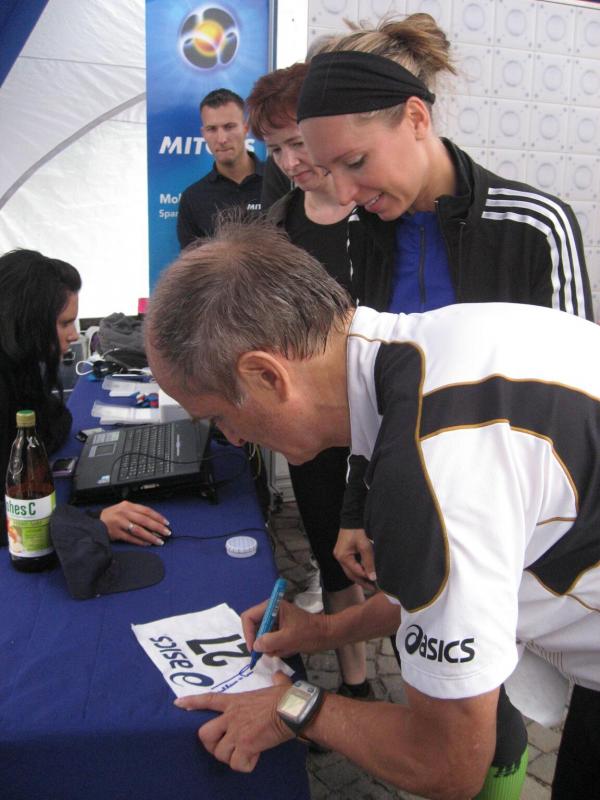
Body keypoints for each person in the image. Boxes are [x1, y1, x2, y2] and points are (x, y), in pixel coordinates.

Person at [146, 218, 599, 800]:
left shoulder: (428, 469)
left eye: (218, 417)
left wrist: (294, 706)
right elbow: (451, 584)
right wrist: (326, 631)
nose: (232, 439)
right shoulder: (427, 348)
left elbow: (447, 763)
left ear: (265, 374)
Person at [295, 11, 593, 594]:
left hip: (523, 534)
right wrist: (357, 508)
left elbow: (582, 408)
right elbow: (370, 384)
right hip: (411, 514)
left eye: (355, 162)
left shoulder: (534, 226)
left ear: (416, 117)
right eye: (328, 171)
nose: (345, 192)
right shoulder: (365, 233)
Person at [247, 63, 372, 701]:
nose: (291, 162)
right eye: (275, 150)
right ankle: (356, 682)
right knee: (331, 554)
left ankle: (435, 681)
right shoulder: (277, 228)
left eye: (298, 143)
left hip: (385, 422)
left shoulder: (382, 211)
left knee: (401, 556)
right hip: (314, 430)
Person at [0, 249, 171, 547]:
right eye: (64, 323)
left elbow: (55, 420)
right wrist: (88, 524)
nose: (73, 335)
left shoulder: (19, 367)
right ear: (27, 320)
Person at [176, 88, 264, 249]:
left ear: (245, 128)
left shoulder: (280, 180)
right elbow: (192, 262)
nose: (222, 139)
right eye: (212, 129)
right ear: (203, 133)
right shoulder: (193, 198)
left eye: (229, 127)